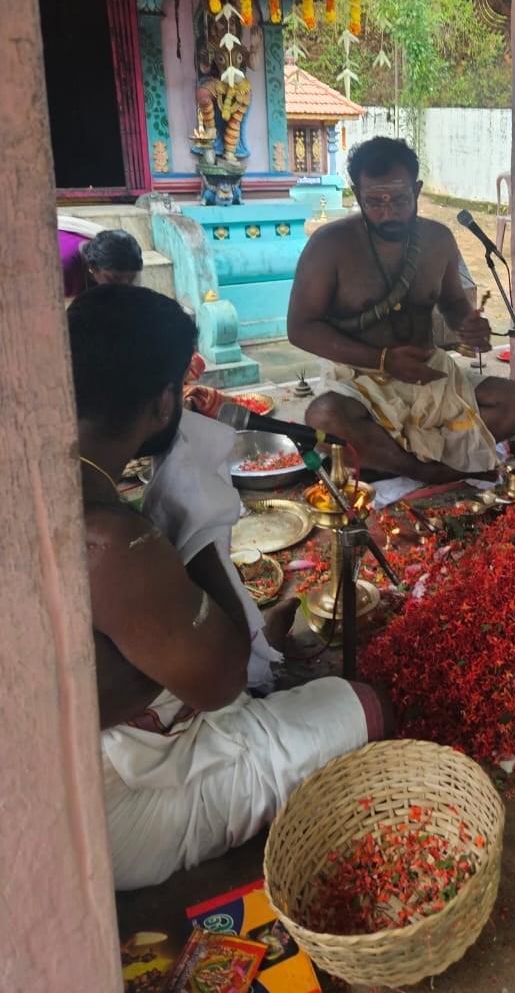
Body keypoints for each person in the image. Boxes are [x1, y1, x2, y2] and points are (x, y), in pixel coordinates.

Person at [69, 285, 386, 890]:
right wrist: (196, 511)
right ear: (165, 403)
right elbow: (222, 681)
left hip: (117, 738)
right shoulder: (110, 540)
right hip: (113, 811)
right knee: (366, 703)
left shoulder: (56, 473)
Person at [287, 137, 515, 483]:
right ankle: (428, 470)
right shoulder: (329, 246)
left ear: (417, 190)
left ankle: (387, 458)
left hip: (429, 375)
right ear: (357, 194)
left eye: (400, 200)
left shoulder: (439, 241)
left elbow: (451, 304)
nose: (387, 213)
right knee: (324, 418)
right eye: (374, 201)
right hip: (361, 381)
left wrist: (467, 325)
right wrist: (384, 361)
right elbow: (300, 327)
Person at [60, 227, 142, 298]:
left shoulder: (128, 265)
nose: (124, 289)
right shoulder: (63, 270)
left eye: (131, 279)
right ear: (92, 268)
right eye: (113, 279)